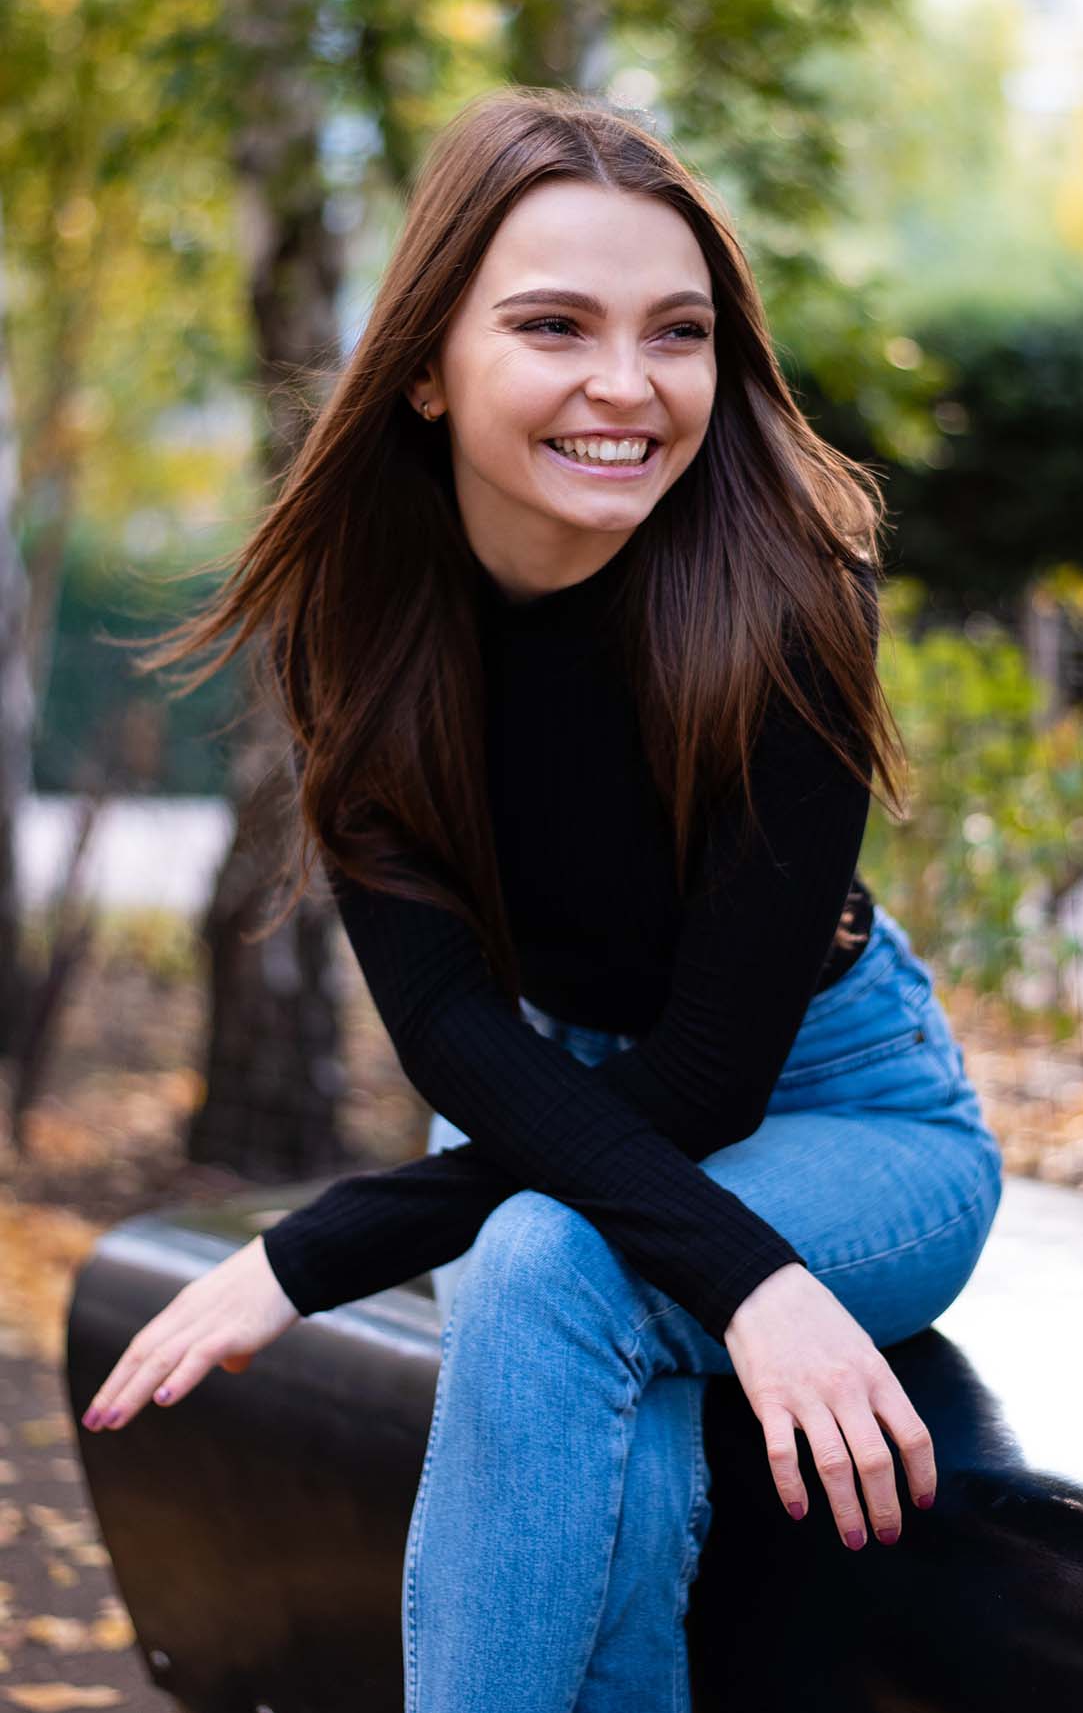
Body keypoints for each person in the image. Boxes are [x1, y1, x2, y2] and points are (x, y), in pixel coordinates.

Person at [80, 86, 1004, 1713]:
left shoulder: (787, 600)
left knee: (543, 1267)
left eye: (679, 332)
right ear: (428, 365)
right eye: (554, 324)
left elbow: (713, 1080)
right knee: (586, 1352)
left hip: (850, 1110)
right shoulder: (361, 622)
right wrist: (721, 1266)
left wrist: (324, 1245)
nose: (628, 386)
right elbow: (446, 1023)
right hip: (538, 1100)